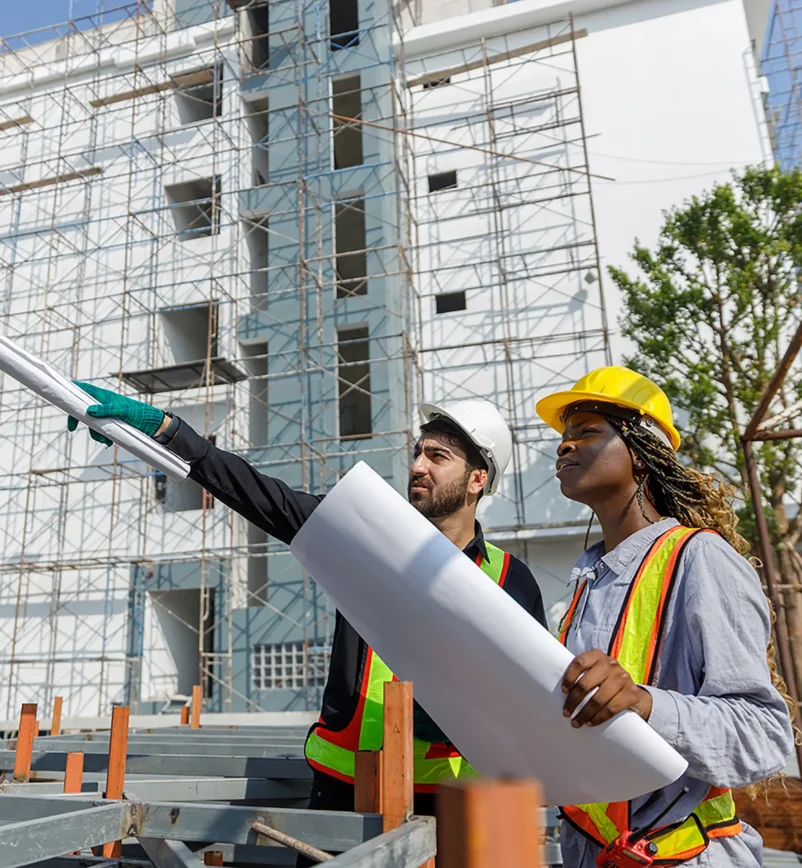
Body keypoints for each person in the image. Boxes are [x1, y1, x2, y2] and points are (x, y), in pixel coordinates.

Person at [66, 385, 546, 830]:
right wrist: (166, 429)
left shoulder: (510, 579)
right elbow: (258, 493)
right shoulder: (368, 539)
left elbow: (532, 698)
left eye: (437, 456)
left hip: (448, 801)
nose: (418, 465)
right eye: (418, 453)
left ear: (477, 479)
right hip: (341, 784)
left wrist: (465, 717)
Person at [535, 366, 795, 867]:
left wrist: (643, 703)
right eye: (564, 437)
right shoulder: (588, 577)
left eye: (587, 431)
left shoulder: (701, 559)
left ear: (641, 452)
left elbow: (763, 734)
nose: (564, 446)